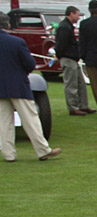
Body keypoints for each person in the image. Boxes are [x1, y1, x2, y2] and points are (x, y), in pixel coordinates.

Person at [0, 11, 62, 161]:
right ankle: (42, 150)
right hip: (18, 85)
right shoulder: (17, 42)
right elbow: (30, 64)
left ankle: (9, 154)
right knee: (31, 118)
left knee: (4, 121)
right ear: (7, 24)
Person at [54, 5, 95, 115]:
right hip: (68, 58)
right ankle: (73, 107)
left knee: (80, 84)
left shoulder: (68, 26)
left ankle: (83, 105)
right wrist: (59, 55)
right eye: (77, 15)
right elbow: (60, 44)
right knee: (71, 84)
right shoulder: (64, 27)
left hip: (73, 59)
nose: (78, 17)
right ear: (71, 14)